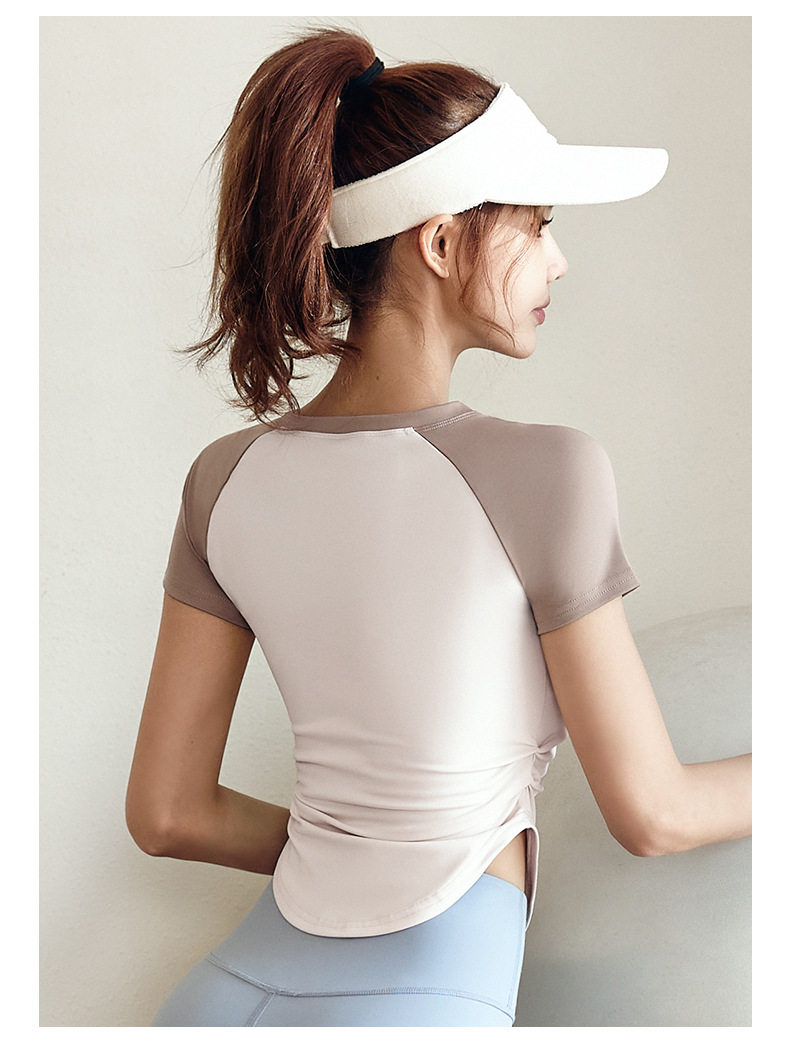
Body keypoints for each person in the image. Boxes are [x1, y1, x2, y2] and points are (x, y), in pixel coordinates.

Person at [125, 26, 752, 1028]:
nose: (558, 259)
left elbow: (167, 812)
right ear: (443, 241)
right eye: (536, 224)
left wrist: (355, 846)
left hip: (220, 998)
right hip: (416, 1004)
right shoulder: (546, 471)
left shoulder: (223, 479)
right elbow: (656, 812)